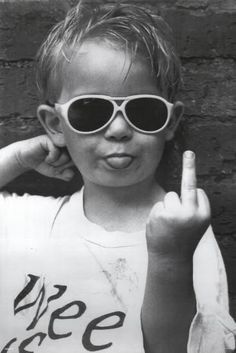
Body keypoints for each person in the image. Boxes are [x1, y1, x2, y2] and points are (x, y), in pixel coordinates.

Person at [0, 2, 235, 352]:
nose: (120, 129)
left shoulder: (187, 236)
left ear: (170, 122)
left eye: (143, 110)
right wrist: (15, 159)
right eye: (90, 110)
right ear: (54, 124)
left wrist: (170, 260)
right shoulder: (32, 219)